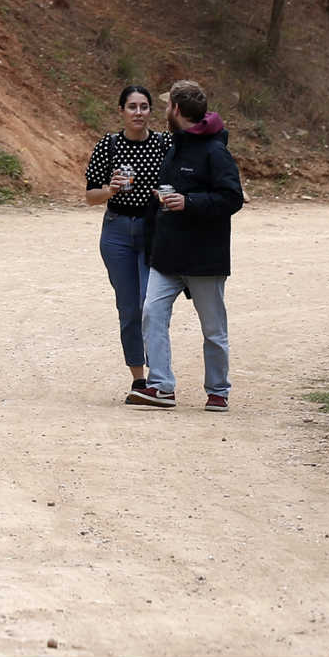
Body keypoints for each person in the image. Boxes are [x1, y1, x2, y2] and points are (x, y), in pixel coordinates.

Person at [128, 79, 245, 411]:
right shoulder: (174, 146)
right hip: (167, 255)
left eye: (167, 105)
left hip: (205, 258)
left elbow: (232, 198)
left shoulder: (216, 151)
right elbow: (174, 191)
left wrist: (188, 202)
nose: (164, 110)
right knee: (151, 313)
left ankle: (218, 391)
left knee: (213, 329)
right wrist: (163, 200)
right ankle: (161, 386)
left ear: (176, 110)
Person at [85, 84, 169, 401]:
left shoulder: (163, 144)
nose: (138, 113)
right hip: (117, 230)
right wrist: (110, 190)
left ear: (151, 111)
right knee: (129, 307)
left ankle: (160, 375)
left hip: (153, 230)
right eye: (132, 107)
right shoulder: (108, 146)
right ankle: (139, 378)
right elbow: (90, 196)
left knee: (152, 304)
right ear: (121, 111)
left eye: (144, 107)